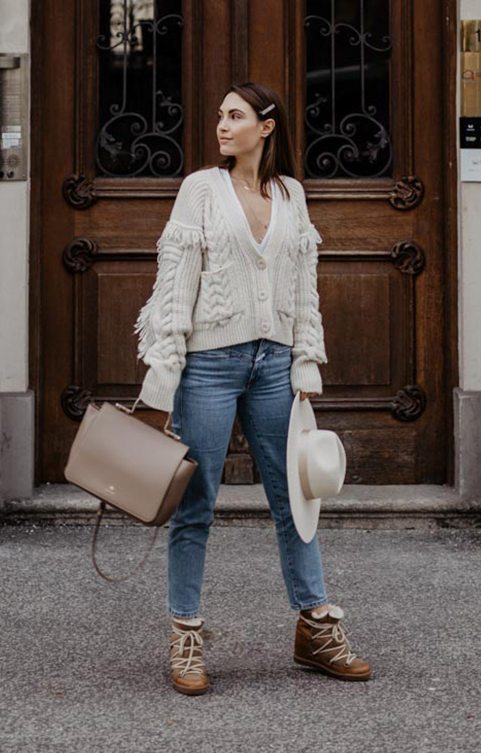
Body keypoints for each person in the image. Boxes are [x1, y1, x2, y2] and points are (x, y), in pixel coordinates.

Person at [134, 81, 372, 695]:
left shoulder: (291, 194)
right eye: (219, 116)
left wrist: (306, 360)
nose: (222, 125)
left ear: (266, 127)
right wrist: (164, 370)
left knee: (296, 498)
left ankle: (316, 626)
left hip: (275, 365)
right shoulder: (200, 190)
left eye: (235, 116)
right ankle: (185, 632)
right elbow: (175, 278)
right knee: (196, 503)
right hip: (209, 364)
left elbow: (304, 286)